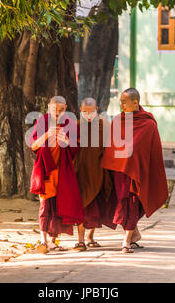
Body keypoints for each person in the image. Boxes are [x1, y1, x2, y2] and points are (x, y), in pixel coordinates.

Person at [100, 88, 169, 253]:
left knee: (131, 201)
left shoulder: (148, 123)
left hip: (137, 171)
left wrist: (134, 160)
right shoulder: (118, 120)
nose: (122, 105)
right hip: (119, 170)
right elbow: (112, 146)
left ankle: (126, 241)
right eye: (121, 102)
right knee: (122, 202)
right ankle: (134, 234)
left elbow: (151, 152)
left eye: (125, 102)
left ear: (135, 102)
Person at [29, 96, 83, 253]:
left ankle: (52, 241)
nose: (57, 113)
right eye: (54, 109)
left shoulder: (69, 124)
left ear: (65, 108)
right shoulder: (42, 122)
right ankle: (43, 240)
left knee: (60, 206)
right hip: (46, 171)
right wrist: (47, 134)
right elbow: (33, 145)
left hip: (63, 172)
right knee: (45, 206)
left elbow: (75, 149)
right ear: (48, 107)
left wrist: (67, 141)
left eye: (61, 110)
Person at [72, 98, 117, 252]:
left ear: (97, 109)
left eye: (91, 112)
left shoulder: (104, 125)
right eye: (84, 112)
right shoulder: (76, 126)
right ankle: (80, 240)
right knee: (82, 206)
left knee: (97, 207)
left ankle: (90, 237)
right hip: (80, 173)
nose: (88, 115)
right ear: (80, 110)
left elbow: (110, 147)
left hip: (99, 172)